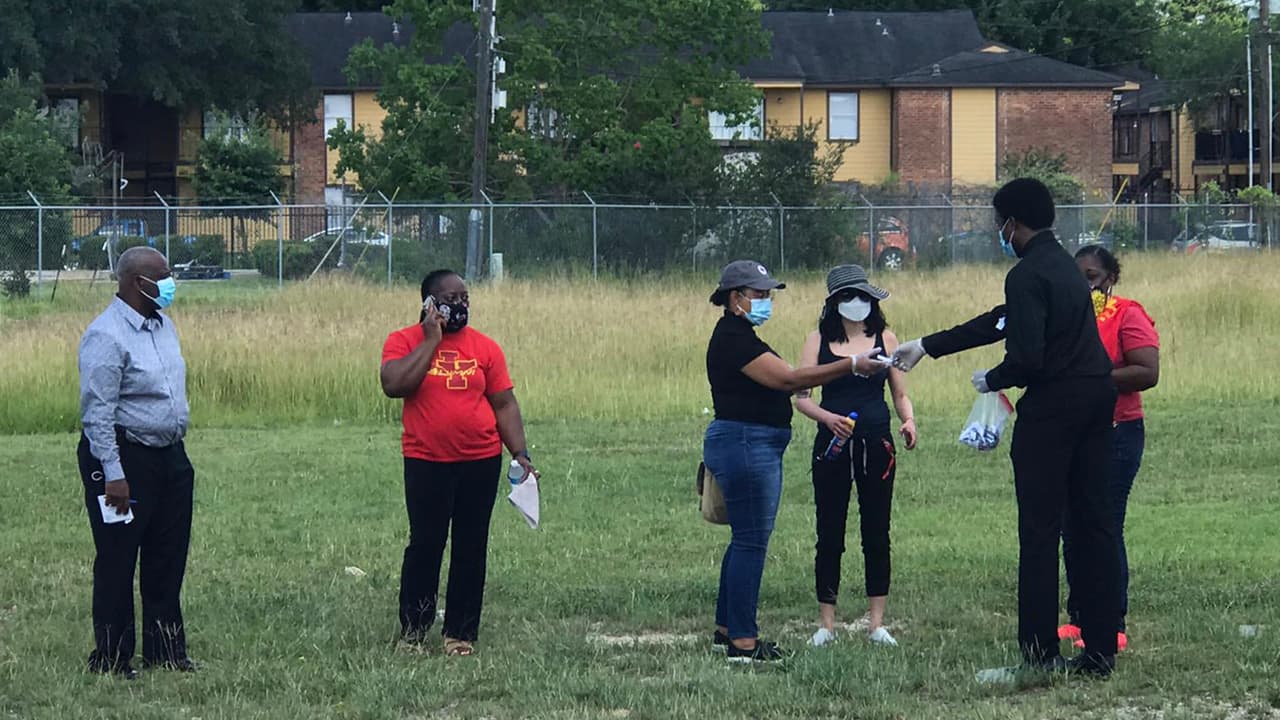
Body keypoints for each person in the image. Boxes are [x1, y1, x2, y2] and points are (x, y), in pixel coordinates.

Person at [889, 178, 1121, 677]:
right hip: (1097, 400)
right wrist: (928, 345)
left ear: (1013, 223)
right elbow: (1002, 320)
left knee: (1039, 533)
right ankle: (1101, 650)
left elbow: (1028, 357)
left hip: (1053, 410)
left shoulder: (1024, 275)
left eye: (1001, 223)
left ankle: (1040, 655)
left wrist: (993, 378)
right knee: (1094, 526)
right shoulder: (1064, 266)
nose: (1001, 232)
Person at [703, 260, 889, 663]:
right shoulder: (735, 339)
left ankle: (726, 630)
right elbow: (789, 380)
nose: (767, 301)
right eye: (759, 295)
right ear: (736, 299)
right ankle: (743, 644)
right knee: (751, 543)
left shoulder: (740, 335)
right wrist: (851, 365)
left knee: (743, 541)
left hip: (749, 443)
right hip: (746, 444)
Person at [380, 269, 538, 657]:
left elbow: (504, 403)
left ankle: (460, 633)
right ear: (429, 304)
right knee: (426, 545)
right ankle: (414, 631)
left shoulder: (485, 348)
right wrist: (430, 341)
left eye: (465, 298)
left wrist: (520, 453)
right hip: (426, 460)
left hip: (479, 461)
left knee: (471, 545)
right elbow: (394, 384)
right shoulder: (403, 341)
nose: (461, 305)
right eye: (451, 298)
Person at [77, 246, 196, 679]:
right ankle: (111, 657)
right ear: (136, 283)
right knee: (118, 556)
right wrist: (114, 474)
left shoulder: (162, 326)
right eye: (162, 276)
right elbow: (97, 413)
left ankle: (166, 650)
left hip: (170, 458)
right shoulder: (105, 335)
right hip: (123, 459)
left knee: (168, 555)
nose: (170, 283)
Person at [794, 265, 917, 649]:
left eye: (864, 296)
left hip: (876, 443)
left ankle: (876, 622)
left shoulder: (886, 337)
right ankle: (826, 624)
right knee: (829, 533)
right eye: (850, 297)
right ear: (834, 303)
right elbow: (800, 397)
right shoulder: (817, 340)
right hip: (832, 447)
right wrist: (828, 419)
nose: (858, 304)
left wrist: (909, 420)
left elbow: (899, 392)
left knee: (876, 532)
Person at [1058, 245, 1159, 652]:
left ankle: (1111, 619)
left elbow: (1147, 371)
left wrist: (1094, 378)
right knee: (1071, 526)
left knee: (1103, 525)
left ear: (1110, 279)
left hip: (1118, 431)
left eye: (1092, 276)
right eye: (1077, 276)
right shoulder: (1066, 316)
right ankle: (1079, 615)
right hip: (1070, 432)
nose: (1085, 284)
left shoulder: (1127, 313)